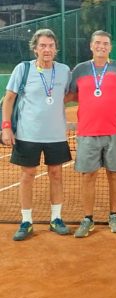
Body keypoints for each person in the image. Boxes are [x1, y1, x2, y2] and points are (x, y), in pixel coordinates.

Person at [1, 29, 72, 241]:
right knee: (28, 175)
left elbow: (68, 95)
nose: (47, 49)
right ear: (35, 49)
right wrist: (6, 127)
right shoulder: (23, 69)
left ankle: (56, 219)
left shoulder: (64, 71)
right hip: (27, 134)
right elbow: (9, 99)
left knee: (56, 174)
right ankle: (26, 221)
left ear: (56, 49)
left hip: (56, 135)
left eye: (51, 46)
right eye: (42, 45)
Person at [68, 30, 116, 238]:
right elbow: (70, 95)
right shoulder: (80, 69)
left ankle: (113, 216)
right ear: (91, 46)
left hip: (115, 133)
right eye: (97, 43)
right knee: (88, 176)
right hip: (87, 132)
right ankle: (87, 218)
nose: (101, 46)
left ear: (110, 47)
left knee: (115, 175)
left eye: (105, 43)